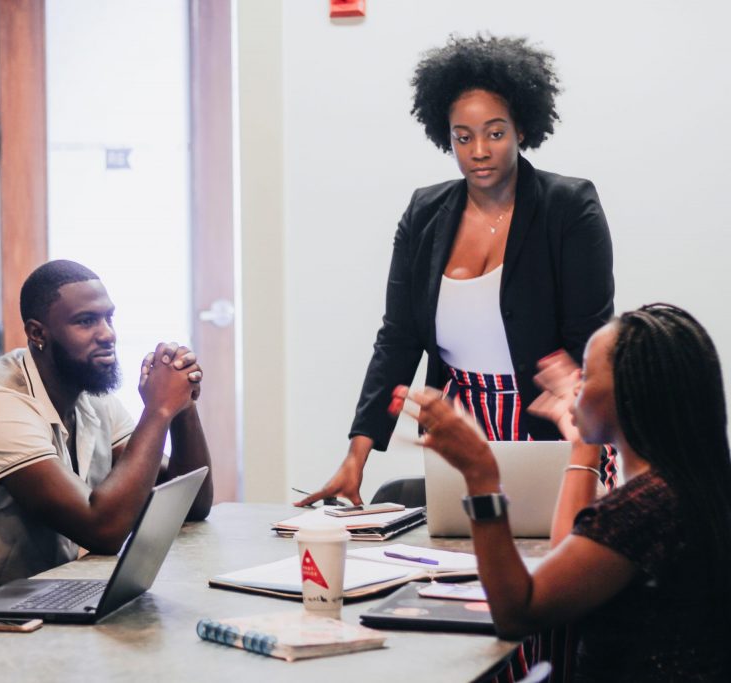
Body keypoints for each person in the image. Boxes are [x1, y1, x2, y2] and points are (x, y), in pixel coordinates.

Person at [298, 35, 615, 507]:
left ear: (521, 129)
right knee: (460, 564)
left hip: (553, 422)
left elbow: (590, 336)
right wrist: (357, 453)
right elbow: (398, 339)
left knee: (551, 566)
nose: (479, 150)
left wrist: (575, 395)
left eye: (495, 132)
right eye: (463, 137)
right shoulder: (424, 213)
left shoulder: (568, 207)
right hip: (461, 427)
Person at [399, 304, 731, 681]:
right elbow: (568, 560)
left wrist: (480, 475)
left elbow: (518, 613)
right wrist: (582, 444)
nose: (574, 388)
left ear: (630, 393)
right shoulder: (679, 490)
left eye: (587, 376)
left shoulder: (642, 509)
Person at [0, 260, 213, 606]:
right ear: (38, 333)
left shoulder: (89, 396)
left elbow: (192, 504)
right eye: (86, 322)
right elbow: (103, 530)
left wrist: (183, 403)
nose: (107, 334)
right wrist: (158, 410)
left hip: (41, 602)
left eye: (109, 318)